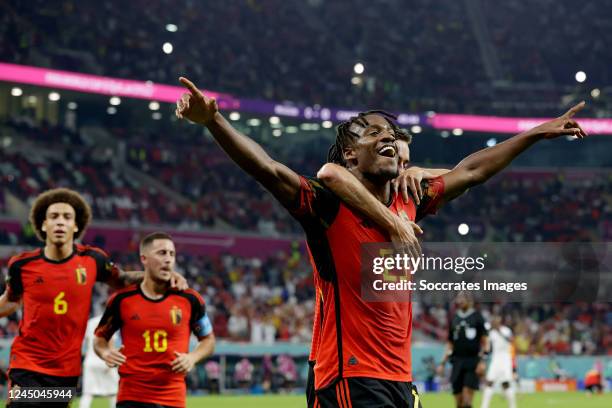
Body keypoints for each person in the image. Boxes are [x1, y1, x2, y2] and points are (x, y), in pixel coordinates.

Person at [175, 76, 587, 407]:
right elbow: (268, 169)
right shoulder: (328, 206)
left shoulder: (411, 200)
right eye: (372, 133)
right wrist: (215, 121)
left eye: (390, 131)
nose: (386, 136)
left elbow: (473, 170)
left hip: (399, 378)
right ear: (350, 157)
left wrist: (535, 133)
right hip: (351, 378)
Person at [0, 189, 186, 408]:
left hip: (66, 370)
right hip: (27, 364)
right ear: (43, 225)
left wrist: (160, 275)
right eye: (54, 217)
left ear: (76, 226)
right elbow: (11, 300)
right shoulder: (22, 265)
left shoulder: (92, 260)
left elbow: (123, 279)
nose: (60, 222)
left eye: (67, 217)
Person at [94, 232, 215, 408]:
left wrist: (193, 357)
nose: (168, 259)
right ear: (144, 259)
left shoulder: (190, 299)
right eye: (161, 253)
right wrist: (105, 353)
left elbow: (208, 340)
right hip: (131, 398)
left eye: (171, 254)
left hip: (173, 399)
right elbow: (100, 338)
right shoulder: (121, 300)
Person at [438, 292, 488, 408]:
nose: (459, 301)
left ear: (469, 300)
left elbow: (485, 341)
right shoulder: (455, 318)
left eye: (462, 298)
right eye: (458, 298)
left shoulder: (477, 317)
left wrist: (482, 361)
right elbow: (450, 343)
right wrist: (442, 363)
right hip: (456, 362)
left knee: (467, 400)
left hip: (472, 362)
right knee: (459, 402)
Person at [79, 312, 119, 408]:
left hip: (90, 361)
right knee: (113, 392)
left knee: (87, 393)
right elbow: (111, 343)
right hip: (105, 360)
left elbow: (87, 341)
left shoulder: (90, 322)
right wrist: (112, 362)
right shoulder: (109, 322)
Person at [480, 316, 516, 408]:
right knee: (489, 382)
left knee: (505, 383)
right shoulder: (491, 332)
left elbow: (510, 340)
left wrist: (498, 331)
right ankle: (484, 406)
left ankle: (512, 406)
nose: (495, 322)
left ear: (500, 322)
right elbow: (485, 336)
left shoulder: (505, 330)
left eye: (497, 320)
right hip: (495, 359)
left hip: (505, 359)